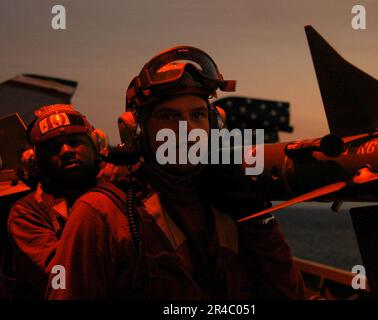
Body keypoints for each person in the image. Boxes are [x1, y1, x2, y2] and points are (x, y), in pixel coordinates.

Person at [46, 46, 306, 299]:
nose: (187, 129)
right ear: (137, 131)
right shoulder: (102, 214)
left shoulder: (231, 203)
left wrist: (259, 221)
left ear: (214, 126)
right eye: (169, 116)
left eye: (197, 115)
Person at [7, 104, 124, 299]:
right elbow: (62, 280)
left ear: (96, 145)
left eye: (74, 141)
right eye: (53, 148)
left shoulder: (123, 185)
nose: (66, 151)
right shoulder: (27, 214)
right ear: (36, 161)